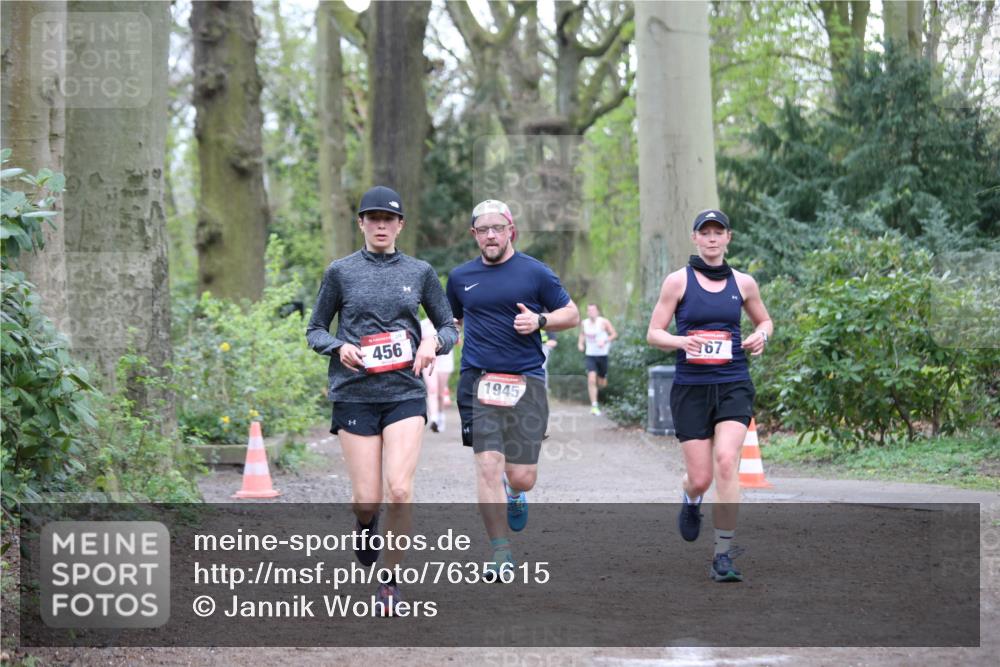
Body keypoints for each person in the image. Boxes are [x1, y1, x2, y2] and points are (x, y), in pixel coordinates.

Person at [306, 185, 458, 612]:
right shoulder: (340, 272)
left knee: (400, 489)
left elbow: (449, 326)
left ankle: (389, 581)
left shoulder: (421, 272)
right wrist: (338, 347)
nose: (380, 225)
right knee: (367, 499)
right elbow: (315, 328)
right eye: (372, 218)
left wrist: (434, 346)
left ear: (400, 225)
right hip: (355, 395)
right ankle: (364, 523)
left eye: (388, 219)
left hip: (405, 393)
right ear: (361, 223)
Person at [445, 199, 579, 571]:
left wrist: (540, 321)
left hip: (526, 381)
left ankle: (516, 492)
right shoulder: (459, 278)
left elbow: (571, 314)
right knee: (488, 466)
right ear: (474, 235)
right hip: (479, 382)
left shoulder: (535, 273)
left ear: (511, 231)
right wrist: (439, 341)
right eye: (483, 230)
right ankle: (500, 552)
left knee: (522, 475)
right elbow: (450, 321)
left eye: (497, 228)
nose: (490, 235)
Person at [645, 209, 772, 583]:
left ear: (728, 238)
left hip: (733, 381)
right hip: (691, 388)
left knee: (727, 460)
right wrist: (682, 340)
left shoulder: (744, 283)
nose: (713, 238)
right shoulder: (677, 282)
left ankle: (723, 553)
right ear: (695, 238)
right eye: (706, 232)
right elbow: (654, 332)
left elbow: (764, 320)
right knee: (700, 478)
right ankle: (691, 499)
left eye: (719, 232)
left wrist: (762, 335)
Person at [577, 303, 618, 415]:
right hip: (590, 355)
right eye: (589, 310)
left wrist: (604, 341)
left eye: (593, 310)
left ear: (597, 312)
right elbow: (582, 334)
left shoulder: (603, 322)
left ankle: (602, 382)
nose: (591, 312)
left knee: (602, 383)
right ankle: (594, 406)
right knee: (591, 379)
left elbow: (614, 334)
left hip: (602, 355)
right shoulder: (584, 323)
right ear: (587, 312)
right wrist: (580, 344)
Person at [420, 315, 456, 432]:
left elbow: (456, 340)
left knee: (440, 393)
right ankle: (434, 419)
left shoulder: (447, 323)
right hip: (429, 362)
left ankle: (440, 415)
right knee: (432, 389)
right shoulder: (423, 325)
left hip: (444, 360)